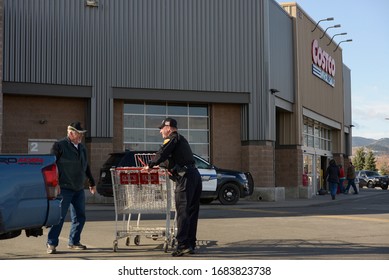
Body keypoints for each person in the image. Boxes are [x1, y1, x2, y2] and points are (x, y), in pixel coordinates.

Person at [146, 117, 202, 257]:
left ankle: (182, 245)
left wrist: (151, 165)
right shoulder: (180, 140)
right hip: (194, 175)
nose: (160, 131)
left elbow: (163, 151)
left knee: (183, 212)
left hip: (186, 178)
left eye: (161, 128)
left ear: (168, 128)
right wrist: (161, 164)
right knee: (190, 212)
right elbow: (169, 159)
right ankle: (190, 244)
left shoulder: (173, 138)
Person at [46, 122, 96, 254]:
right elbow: (52, 165)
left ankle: (74, 241)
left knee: (80, 216)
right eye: (78, 133)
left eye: (82, 134)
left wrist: (91, 182)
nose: (81, 136)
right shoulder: (59, 146)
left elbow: (86, 166)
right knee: (59, 217)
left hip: (78, 188)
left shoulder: (82, 148)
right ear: (70, 133)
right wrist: (54, 183)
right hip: (63, 188)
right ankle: (51, 243)